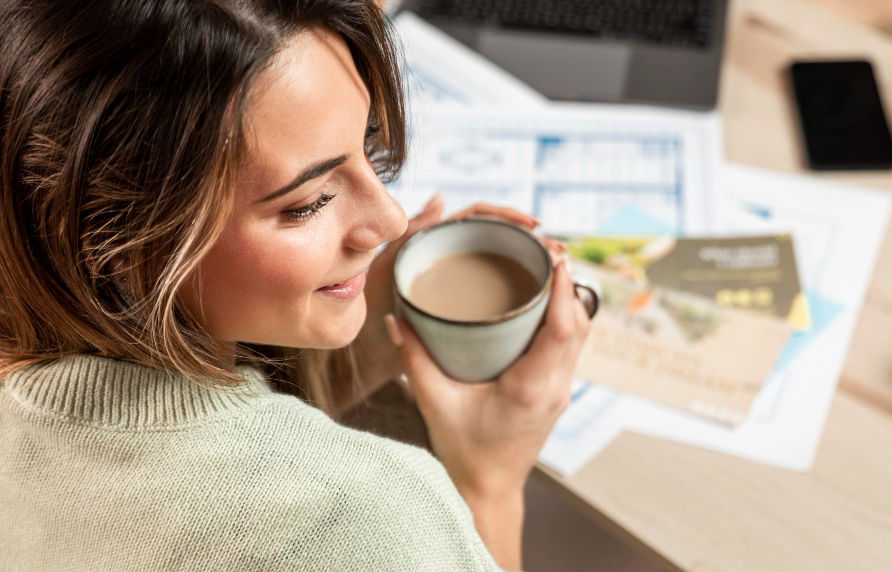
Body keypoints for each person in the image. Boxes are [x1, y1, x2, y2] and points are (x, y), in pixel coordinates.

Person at [0, 1, 590, 570]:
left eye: (367, 146)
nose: (391, 220)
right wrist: (488, 480)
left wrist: (363, 342)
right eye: (310, 202)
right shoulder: (364, 519)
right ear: (119, 242)